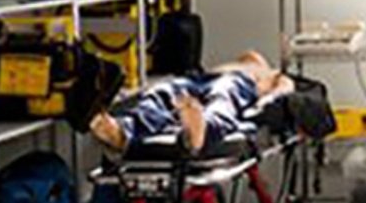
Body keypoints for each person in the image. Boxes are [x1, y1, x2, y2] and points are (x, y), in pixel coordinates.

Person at [88, 50, 292, 157]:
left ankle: (200, 131)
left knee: (222, 101)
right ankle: (123, 131)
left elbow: (285, 90)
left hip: (236, 83)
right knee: (161, 91)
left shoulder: (274, 75)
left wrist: (263, 103)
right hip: (200, 78)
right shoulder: (248, 60)